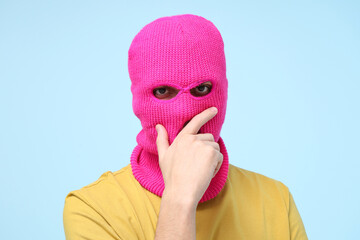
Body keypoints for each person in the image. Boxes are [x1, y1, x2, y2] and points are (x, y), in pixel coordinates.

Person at [63, 13, 308, 240]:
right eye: (162, 91)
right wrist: (179, 200)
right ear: (136, 100)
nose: (184, 111)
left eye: (201, 89)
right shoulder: (92, 209)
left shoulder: (277, 201)